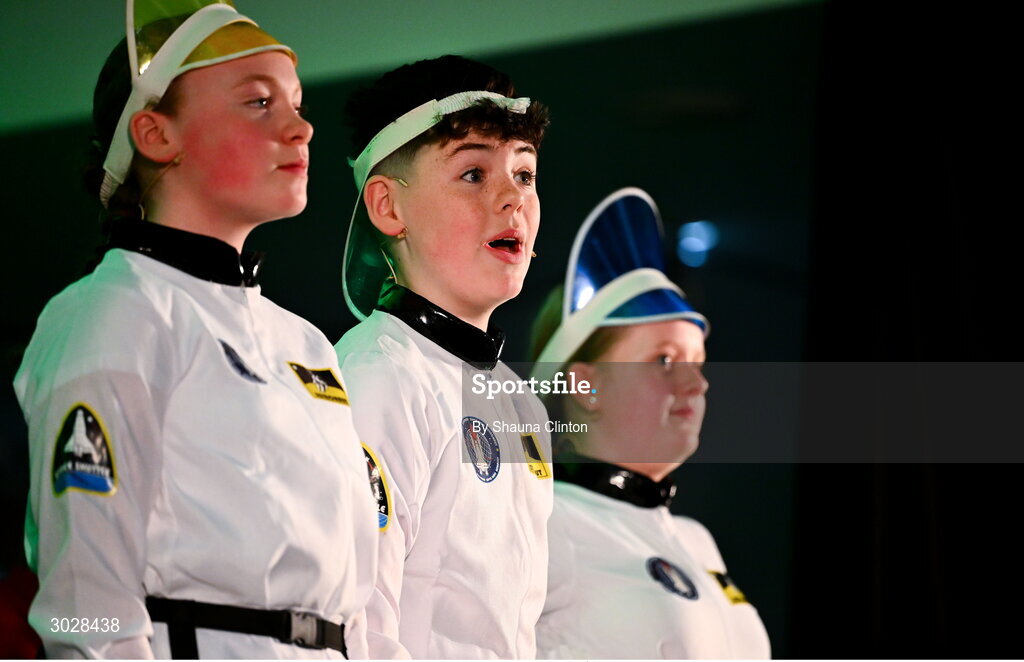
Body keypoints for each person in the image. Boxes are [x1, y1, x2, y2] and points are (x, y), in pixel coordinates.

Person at [14, 1, 379, 657]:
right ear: (156, 135)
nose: (301, 128)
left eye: (295, 103)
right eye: (259, 103)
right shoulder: (114, 313)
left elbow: (363, 612)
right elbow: (80, 612)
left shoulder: (307, 344)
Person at [334, 55, 553, 658]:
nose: (512, 198)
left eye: (526, 174)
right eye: (474, 174)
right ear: (388, 207)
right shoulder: (378, 375)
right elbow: (357, 626)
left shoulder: (521, 402)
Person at [530, 188, 771, 659]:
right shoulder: (541, 521)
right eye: (664, 360)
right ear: (586, 388)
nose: (696, 384)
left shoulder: (695, 538)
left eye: (698, 362)